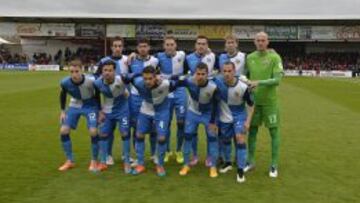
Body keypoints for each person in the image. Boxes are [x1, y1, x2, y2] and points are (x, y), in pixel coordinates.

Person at [245, 32, 284, 178]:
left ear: (267, 42)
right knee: (252, 132)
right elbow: (245, 76)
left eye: (263, 40)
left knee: (274, 132)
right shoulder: (250, 58)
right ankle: (250, 161)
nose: (260, 43)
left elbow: (277, 80)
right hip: (254, 102)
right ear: (254, 42)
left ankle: (274, 164)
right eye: (258, 40)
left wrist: (258, 82)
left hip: (270, 102)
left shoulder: (274, 57)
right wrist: (246, 82)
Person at [214, 61, 254, 183]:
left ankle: (241, 170)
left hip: (239, 116)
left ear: (234, 71)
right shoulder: (217, 82)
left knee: (240, 138)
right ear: (221, 72)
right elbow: (203, 78)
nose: (226, 74)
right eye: (224, 71)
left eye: (229, 71)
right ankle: (228, 162)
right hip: (224, 117)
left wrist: (247, 122)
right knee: (225, 139)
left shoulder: (243, 86)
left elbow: (251, 105)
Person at [58, 59, 101, 172]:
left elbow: (98, 95)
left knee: (93, 131)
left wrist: (100, 111)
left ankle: (94, 160)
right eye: (71, 71)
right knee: (63, 131)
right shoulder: (65, 82)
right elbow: (62, 95)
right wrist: (62, 111)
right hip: (74, 105)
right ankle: (69, 161)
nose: (74, 74)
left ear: (82, 70)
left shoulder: (91, 80)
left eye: (77, 71)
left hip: (90, 105)